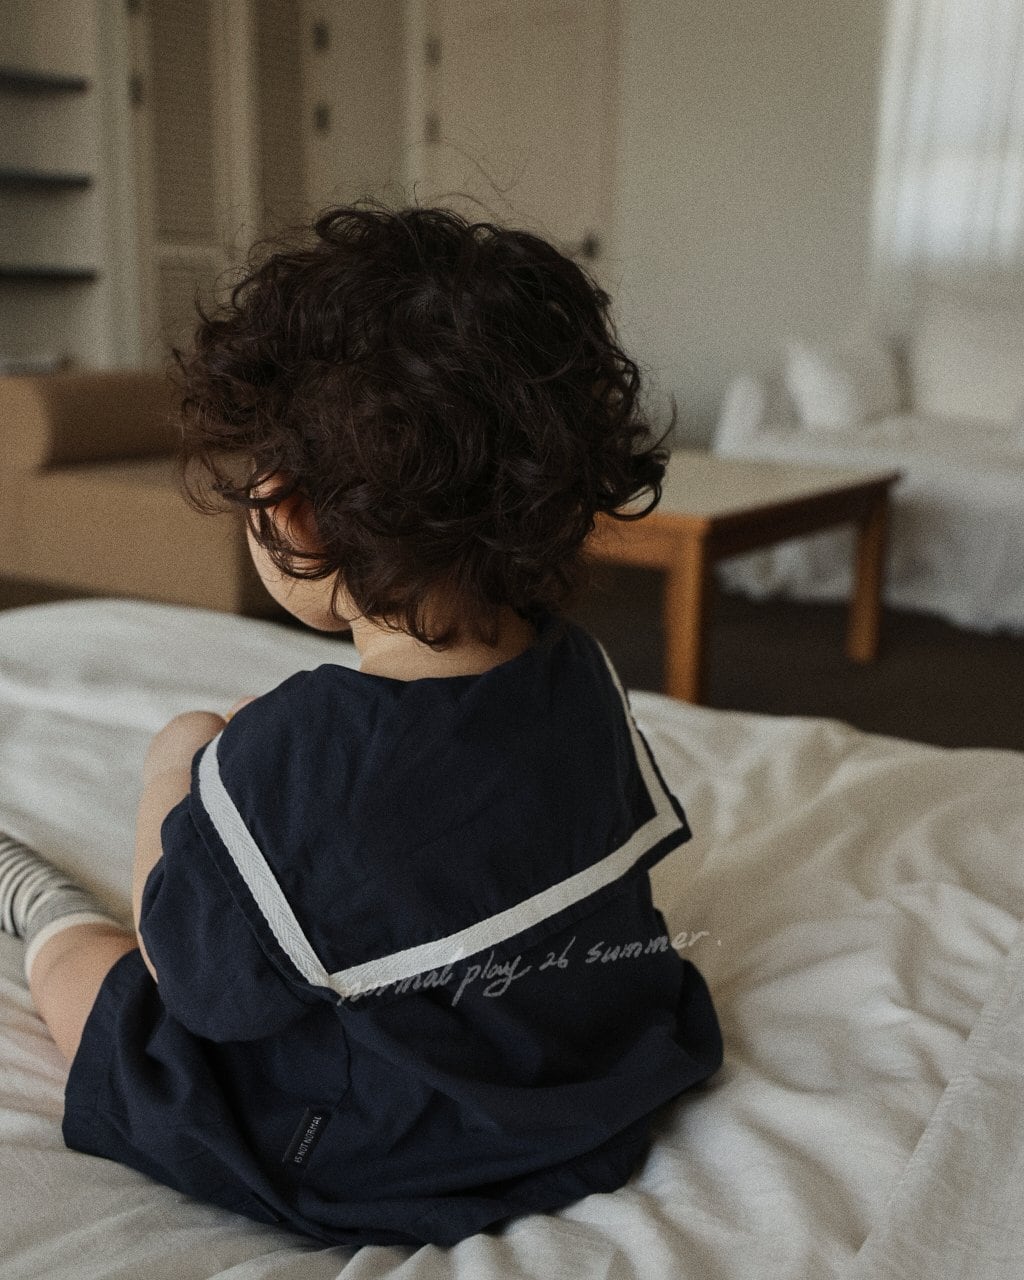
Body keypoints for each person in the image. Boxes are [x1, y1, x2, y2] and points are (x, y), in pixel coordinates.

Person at [0, 201, 722, 1248]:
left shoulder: (293, 758)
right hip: (584, 1068)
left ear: (290, 512)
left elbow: (191, 981)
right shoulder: (577, 671)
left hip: (379, 1141)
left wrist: (176, 767)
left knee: (119, 1013)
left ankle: (39, 910)